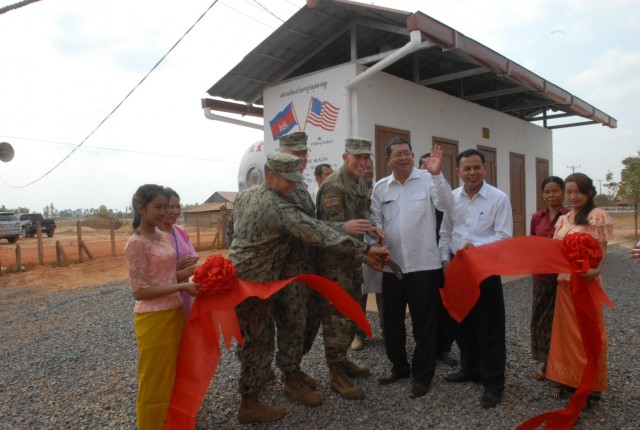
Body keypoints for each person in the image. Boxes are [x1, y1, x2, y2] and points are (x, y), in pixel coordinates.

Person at [227, 152, 389, 424]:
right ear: (270, 177)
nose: (294, 185)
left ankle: (279, 378)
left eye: (296, 179)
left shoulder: (246, 195)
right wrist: (363, 249)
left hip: (254, 279)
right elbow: (317, 232)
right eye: (288, 180)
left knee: (265, 336)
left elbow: (231, 232)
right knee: (259, 341)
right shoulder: (278, 207)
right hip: (254, 285)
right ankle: (249, 403)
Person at [371, 138, 454, 398]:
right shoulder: (381, 188)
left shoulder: (429, 179)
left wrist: (438, 174)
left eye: (407, 153)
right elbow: (375, 222)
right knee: (392, 323)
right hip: (391, 267)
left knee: (424, 324)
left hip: (423, 266)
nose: (404, 157)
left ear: (413, 155)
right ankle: (399, 367)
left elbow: (448, 206)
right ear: (387, 161)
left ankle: (423, 375)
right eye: (398, 154)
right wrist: (375, 243)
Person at [439, 149, 513, 409]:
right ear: (458, 172)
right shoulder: (452, 199)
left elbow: (504, 237)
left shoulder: (498, 198)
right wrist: (445, 260)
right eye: (466, 168)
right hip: (458, 271)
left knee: (489, 328)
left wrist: (476, 247)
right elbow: (445, 233)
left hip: (485, 272)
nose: (472, 173)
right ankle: (470, 368)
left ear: (484, 169)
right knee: (462, 323)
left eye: (476, 167)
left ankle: (493, 382)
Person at [123, 184, 200, 430]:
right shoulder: (136, 243)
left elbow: (167, 277)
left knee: (176, 376)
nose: (163, 212)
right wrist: (182, 287)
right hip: (153, 320)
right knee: (155, 381)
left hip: (175, 312)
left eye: (165, 207)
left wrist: (196, 272)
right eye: (157, 207)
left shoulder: (162, 237)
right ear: (140, 207)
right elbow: (140, 291)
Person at [316, 137, 379, 400]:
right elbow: (333, 236)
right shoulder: (333, 187)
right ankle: (335, 373)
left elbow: (362, 214)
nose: (363, 163)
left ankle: (343, 362)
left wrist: (372, 228)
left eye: (366, 158)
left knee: (352, 311)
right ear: (345, 158)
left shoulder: (360, 180)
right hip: (334, 264)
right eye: (357, 159)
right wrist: (365, 255)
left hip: (352, 260)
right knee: (336, 319)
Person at [546, 173, 613, 408]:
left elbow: (601, 253)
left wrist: (595, 271)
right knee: (567, 335)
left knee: (590, 334)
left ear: (589, 193)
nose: (573, 196)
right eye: (569, 191)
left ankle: (592, 385)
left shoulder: (597, 216)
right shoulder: (565, 219)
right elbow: (556, 250)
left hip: (587, 284)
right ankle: (570, 379)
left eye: (578, 192)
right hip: (564, 283)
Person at [419, 152, 458, 367]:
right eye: (423, 168)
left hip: (443, 255)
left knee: (446, 305)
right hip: (420, 259)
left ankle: (444, 347)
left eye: (432, 167)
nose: (428, 171)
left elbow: (450, 222)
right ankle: (427, 347)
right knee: (425, 305)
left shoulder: (444, 192)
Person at [529, 176, 569, 381]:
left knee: (562, 321)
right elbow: (533, 244)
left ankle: (563, 366)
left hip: (565, 277)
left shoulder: (571, 216)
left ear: (563, 193)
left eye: (555, 191)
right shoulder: (537, 217)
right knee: (541, 319)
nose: (551, 195)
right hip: (542, 275)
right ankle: (546, 363)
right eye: (547, 192)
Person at [352, 157, 384, 352]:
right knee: (359, 293)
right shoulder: (349, 190)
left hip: (378, 246)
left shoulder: (382, 189)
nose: (367, 170)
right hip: (357, 247)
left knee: (383, 292)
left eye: (370, 167)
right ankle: (359, 333)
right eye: (362, 167)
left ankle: (386, 331)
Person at [157, 187, 199, 317]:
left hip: (185, 292)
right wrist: (174, 266)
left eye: (178, 207)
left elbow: (192, 256)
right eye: (171, 207)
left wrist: (191, 262)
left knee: (184, 330)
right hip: (163, 296)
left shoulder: (181, 231)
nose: (176, 211)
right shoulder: (152, 235)